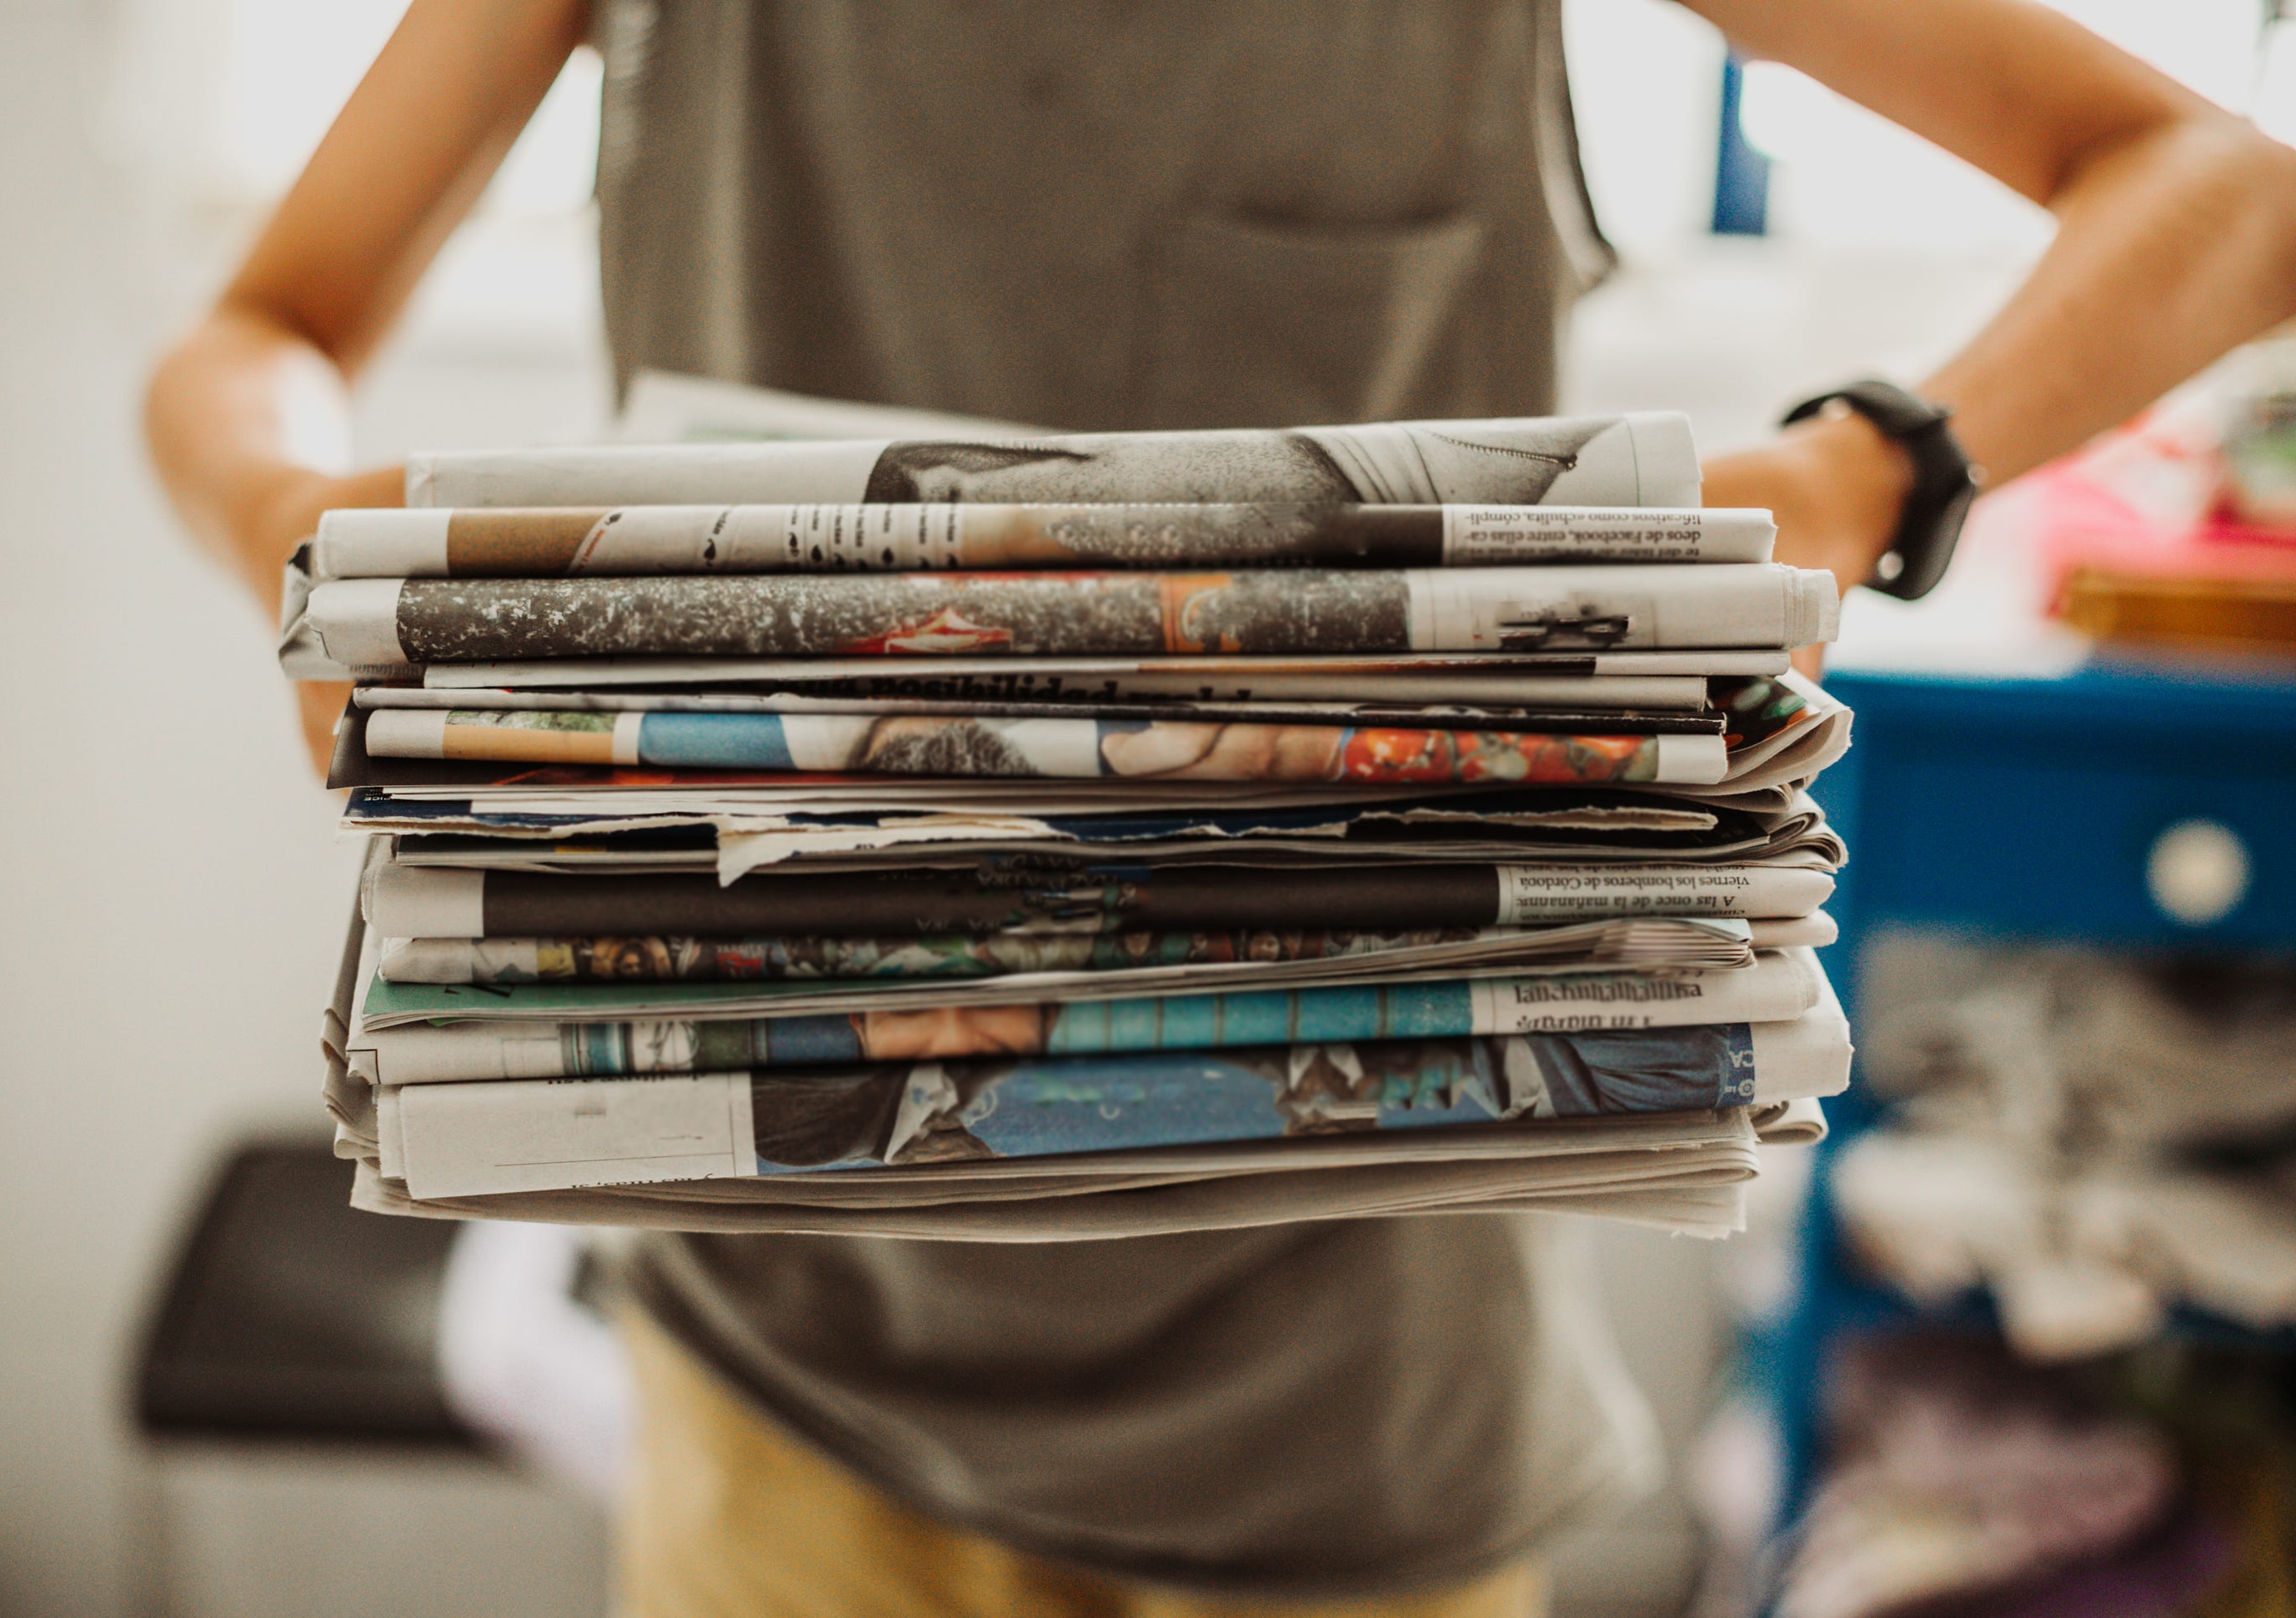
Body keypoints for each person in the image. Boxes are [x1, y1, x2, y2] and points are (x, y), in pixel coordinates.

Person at [147, 4, 2296, 1614]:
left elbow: (2225, 183)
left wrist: (1864, 468)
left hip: (1356, 1401)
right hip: (788, 1365)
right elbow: (253, 331)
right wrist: (291, 528)